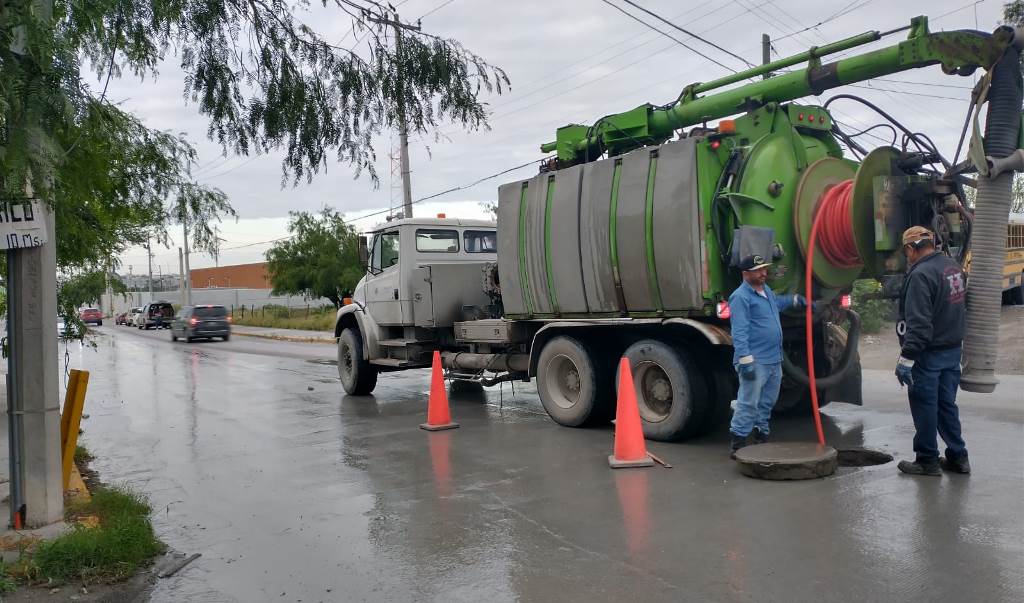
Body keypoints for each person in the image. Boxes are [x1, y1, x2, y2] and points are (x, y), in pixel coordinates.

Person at [894, 226, 970, 476]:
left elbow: (919, 325)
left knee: (925, 406)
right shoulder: (952, 267)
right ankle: (958, 457)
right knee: (947, 405)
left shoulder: (921, 275)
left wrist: (907, 358)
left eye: (906, 253)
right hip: (952, 351)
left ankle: (927, 460)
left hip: (928, 354)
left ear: (910, 248)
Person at [728, 254, 807, 458]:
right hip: (755, 360)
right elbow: (739, 332)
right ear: (746, 273)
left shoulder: (766, 291)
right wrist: (745, 361)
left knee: (767, 401)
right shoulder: (740, 297)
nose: (764, 273)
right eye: (758, 270)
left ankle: (761, 435)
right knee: (748, 402)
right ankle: (738, 444)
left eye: (764, 269)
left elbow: (777, 304)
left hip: (773, 359)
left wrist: (795, 300)